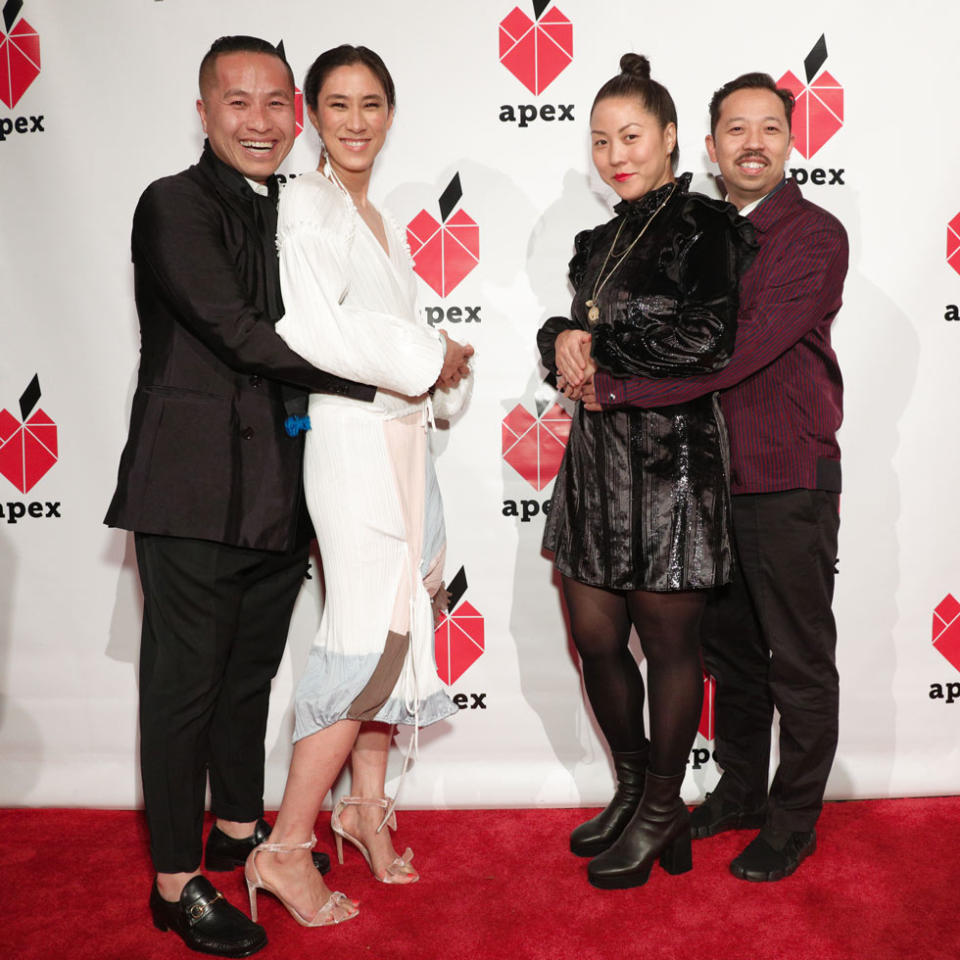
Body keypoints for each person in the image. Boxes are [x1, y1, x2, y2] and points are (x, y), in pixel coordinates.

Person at [104, 35, 467, 958]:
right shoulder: (174, 206)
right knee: (183, 688)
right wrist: (405, 376)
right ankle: (176, 881)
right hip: (189, 485)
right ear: (204, 111)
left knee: (248, 679)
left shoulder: (290, 206)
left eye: (276, 106)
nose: (260, 122)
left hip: (277, 483)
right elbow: (240, 333)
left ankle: (236, 831)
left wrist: (407, 379)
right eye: (239, 103)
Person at [581, 72, 848, 882]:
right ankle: (741, 788)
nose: (753, 142)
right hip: (701, 483)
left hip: (784, 472)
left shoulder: (812, 235)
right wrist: (567, 329)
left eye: (770, 127)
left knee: (797, 658)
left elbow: (732, 350)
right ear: (708, 146)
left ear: (792, 141)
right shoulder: (700, 235)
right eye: (736, 129)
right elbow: (618, 310)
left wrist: (615, 385)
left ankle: (795, 817)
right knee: (728, 657)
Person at [240, 44, 473, 927]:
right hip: (350, 444)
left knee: (401, 631)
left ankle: (364, 811)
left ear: (390, 112)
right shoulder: (304, 200)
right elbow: (313, 328)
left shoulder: (372, 212)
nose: (356, 121)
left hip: (401, 441)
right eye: (337, 104)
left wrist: (441, 366)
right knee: (365, 642)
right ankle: (285, 848)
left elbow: (391, 341)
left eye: (372, 103)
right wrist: (429, 355)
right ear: (310, 114)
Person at [537, 53, 755, 890]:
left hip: (673, 463)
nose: (615, 154)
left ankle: (666, 805)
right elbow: (579, 329)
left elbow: (708, 339)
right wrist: (557, 332)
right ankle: (633, 787)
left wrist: (602, 349)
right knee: (595, 636)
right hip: (596, 460)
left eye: (631, 136)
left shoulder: (707, 226)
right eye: (599, 141)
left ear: (669, 138)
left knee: (669, 645)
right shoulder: (596, 239)